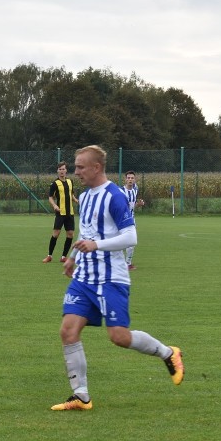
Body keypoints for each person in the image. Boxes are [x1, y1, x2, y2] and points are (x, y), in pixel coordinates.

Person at [51, 145, 183, 411]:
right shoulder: (86, 196)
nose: (76, 172)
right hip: (85, 275)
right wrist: (74, 258)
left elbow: (131, 237)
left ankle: (168, 353)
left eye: (80, 167)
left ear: (96, 167)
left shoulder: (115, 196)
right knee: (68, 330)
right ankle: (81, 396)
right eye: (75, 167)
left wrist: (97, 245)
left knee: (119, 337)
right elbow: (85, 230)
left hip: (111, 277)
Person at [43, 161, 78, 263]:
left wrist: (75, 200)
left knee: (70, 234)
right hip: (60, 213)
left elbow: (71, 194)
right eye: (60, 169)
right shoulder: (55, 184)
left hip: (70, 213)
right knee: (56, 234)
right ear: (57, 171)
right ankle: (49, 256)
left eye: (63, 169)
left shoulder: (70, 181)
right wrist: (54, 205)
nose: (62, 171)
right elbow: (50, 197)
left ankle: (63, 257)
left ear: (66, 170)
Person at [120, 170, 145, 270]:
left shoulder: (135, 189)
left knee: (132, 242)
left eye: (132, 178)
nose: (130, 180)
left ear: (135, 180)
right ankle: (118, 263)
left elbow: (132, 206)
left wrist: (139, 204)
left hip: (131, 220)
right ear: (125, 179)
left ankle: (128, 263)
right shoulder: (121, 191)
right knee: (119, 243)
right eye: (128, 178)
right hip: (121, 221)